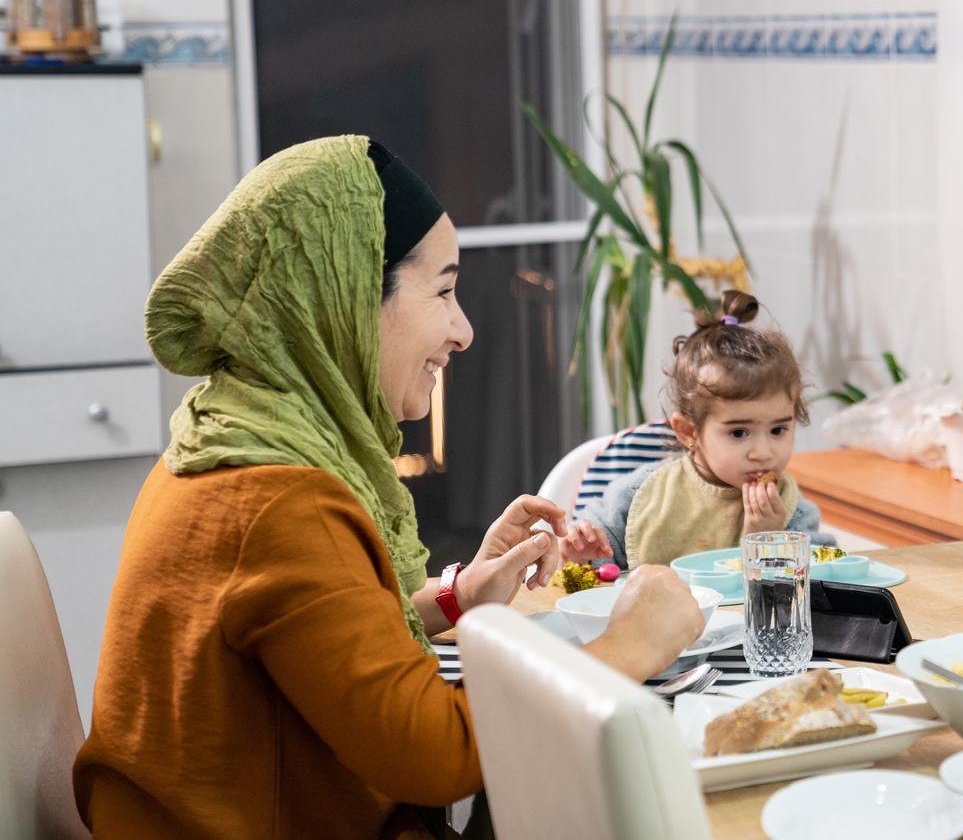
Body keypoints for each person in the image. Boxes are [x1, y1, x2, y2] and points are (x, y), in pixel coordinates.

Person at [73, 136, 707, 838]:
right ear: (345, 297)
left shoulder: (227, 437)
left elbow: (311, 637)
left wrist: (457, 596)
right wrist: (634, 643)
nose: (463, 331)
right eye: (443, 291)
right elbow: (436, 757)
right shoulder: (280, 501)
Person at [560, 290, 834, 569]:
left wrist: (766, 543)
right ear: (689, 432)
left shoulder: (792, 512)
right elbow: (598, 559)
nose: (763, 453)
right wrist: (585, 552)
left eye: (778, 430)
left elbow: (823, 578)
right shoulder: (641, 495)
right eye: (739, 433)